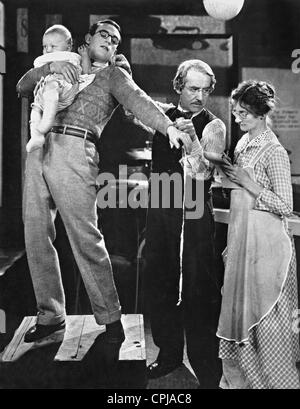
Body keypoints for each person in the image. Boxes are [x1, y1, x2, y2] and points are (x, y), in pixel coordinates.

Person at [16, 19, 191, 346]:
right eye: (104, 35)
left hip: (76, 149)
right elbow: (22, 87)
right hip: (40, 147)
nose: (110, 41)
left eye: (115, 39)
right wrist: (51, 65)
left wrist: (168, 127)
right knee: (35, 231)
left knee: (85, 237)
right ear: (88, 38)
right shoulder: (62, 61)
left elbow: (139, 100)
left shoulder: (113, 74)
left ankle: (110, 318)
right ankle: (50, 315)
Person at [145, 59, 226, 389]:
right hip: (161, 205)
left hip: (194, 211)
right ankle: (169, 355)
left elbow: (205, 173)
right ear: (179, 87)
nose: (200, 96)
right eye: (193, 89)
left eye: (205, 90)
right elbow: (129, 105)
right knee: (160, 277)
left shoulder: (214, 126)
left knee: (199, 286)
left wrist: (193, 141)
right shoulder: (161, 117)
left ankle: (205, 362)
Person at [216, 80, 300, 389]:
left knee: (267, 320)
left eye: (244, 114)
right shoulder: (242, 143)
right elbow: (241, 189)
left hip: (267, 246)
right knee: (241, 315)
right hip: (243, 241)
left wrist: (249, 183)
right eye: (235, 112)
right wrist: (227, 172)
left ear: (261, 113)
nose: (238, 119)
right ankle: (244, 383)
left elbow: (285, 206)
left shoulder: (273, 150)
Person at [27, 24, 95, 153]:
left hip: (64, 90)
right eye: (45, 46)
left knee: (52, 87)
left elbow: (86, 74)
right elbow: (29, 80)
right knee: (35, 109)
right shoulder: (43, 62)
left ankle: (46, 122)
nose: (48, 50)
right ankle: (36, 137)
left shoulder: (72, 58)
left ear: (68, 46)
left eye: (53, 46)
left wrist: (85, 56)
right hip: (45, 96)